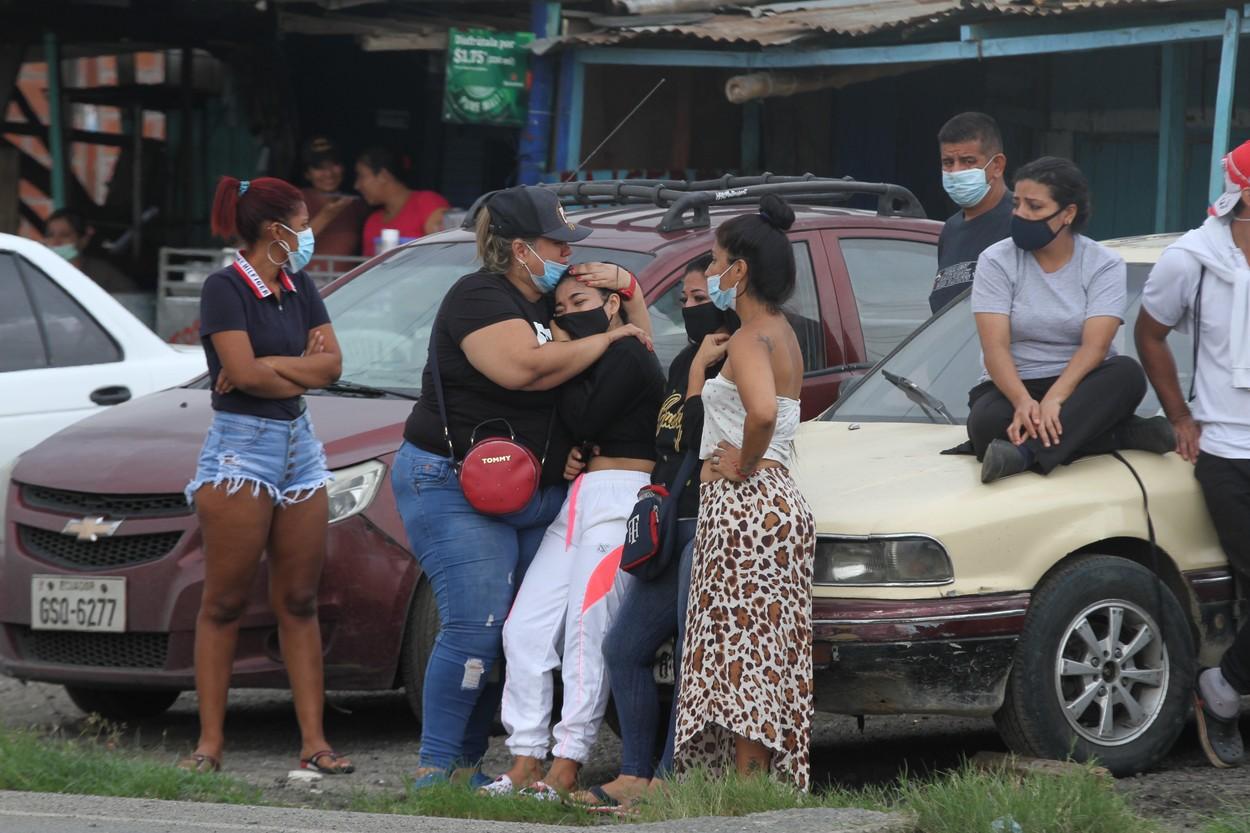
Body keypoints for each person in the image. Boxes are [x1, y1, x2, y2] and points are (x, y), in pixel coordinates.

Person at [392, 185, 651, 789]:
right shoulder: (479, 297)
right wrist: (607, 337)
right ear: (517, 248)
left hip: (532, 491)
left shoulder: (553, 307)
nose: (567, 252)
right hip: (454, 483)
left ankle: (480, 762)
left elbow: (632, 354)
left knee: (518, 629)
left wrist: (627, 295)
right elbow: (523, 370)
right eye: (556, 242)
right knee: (476, 623)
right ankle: (440, 768)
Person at [181, 176, 350, 775]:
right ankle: (209, 745)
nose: (308, 234)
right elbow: (241, 378)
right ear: (275, 231)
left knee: (299, 599)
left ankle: (315, 743)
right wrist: (292, 367)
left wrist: (274, 364)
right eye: (303, 223)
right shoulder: (225, 288)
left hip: (299, 446)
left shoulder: (300, 284)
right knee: (224, 601)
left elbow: (331, 367)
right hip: (240, 451)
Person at [485, 267, 666, 797]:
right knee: (525, 628)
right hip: (580, 498)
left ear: (612, 305)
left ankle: (568, 762)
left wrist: (562, 352)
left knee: (588, 632)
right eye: (558, 310)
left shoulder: (629, 352)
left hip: (621, 497)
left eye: (579, 300)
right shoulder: (591, 356)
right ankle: (524, 755)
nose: (566, 315)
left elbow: (584, 417)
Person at [579, 254, 737, 808]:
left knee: (692, 653)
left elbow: (699, 434)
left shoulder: (736, 357)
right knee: (623, 647)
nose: (690, 309)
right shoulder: (686, 361)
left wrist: (698, 375)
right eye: (686, 301)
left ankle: (669, 781)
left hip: (710, 520)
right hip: (668, 521)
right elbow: (665, 442)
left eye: (699, 299)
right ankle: (633, 774)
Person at [672, 195, 816, 790]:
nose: (708, 273)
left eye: (714, 261)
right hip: (773, 503)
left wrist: (741, 463)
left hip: (748, 507)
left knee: (745, 646)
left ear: (740, 271)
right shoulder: (781, 331)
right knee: (761, 642)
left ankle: (749, 786)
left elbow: (760, 412)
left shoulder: (751, 338)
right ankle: (748, 784)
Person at [1136, 139, 1250, 768]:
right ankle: (1223, 691)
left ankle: (1225, 686)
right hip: (1227, 447)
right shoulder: (1192, 259)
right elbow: (1149, 333)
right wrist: (1180, 414)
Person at [967, 156, 1174, 484]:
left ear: (1068, 213)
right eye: (1017, 204)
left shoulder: (1103, 263)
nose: (1021, 215)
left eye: (1034, 207)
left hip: (1081, 385)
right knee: (986, 425)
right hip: (1012, 384)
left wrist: (1056, 398)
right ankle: (1116, 436)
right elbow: (995, 348)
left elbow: (1096, 346)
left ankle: (1024, 454)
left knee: (1128, 374)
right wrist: (1023, 401)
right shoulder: (995, 260)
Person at [929, 112, 1013, 313]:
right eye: (948, 162)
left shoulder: (1023, 221)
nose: (956, 171)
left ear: (997, 166)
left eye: (968, 161)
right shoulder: (950, 229)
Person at [355, 146, 450, 257]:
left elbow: (446, 255)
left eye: (361, 176)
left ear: (383, 175)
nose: (357, 185)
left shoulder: (427, 203)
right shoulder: (372, 221)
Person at [300, 136, 369, 258]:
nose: (329, 173)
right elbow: (288, 249)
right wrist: (326, 215)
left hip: (347, 277)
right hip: (305, 277)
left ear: (343, 167)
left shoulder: (357, 204)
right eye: (319, 167)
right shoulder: (295, 201)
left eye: (334, 164)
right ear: (307, 174)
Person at [44, 208, 138, 294]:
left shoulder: (103, 273)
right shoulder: (40, 271)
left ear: (83, 240)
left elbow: (133, 299)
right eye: (50, 235)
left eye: (65, 235)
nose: (55, 242)